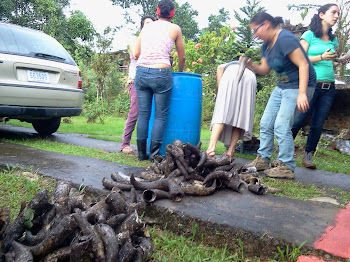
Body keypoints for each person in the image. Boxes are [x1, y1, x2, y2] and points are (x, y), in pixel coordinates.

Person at [243, 12, 316, 179]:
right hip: (282, 86)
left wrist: (302, 93)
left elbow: (303, 64)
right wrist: (251, 65)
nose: (255, 35)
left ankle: (286, 165)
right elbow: (265, 69)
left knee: (282, 125)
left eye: (256, 30)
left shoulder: (285, 39)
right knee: (266, 123)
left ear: (266, 24)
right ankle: (263, 159)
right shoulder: (266, 46)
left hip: (299, 85)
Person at [291, 4, 349, 169]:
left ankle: (308, 156)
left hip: (328, 87)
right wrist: (322, 56)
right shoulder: (309, 35)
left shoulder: (333, 38)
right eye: (333, 12)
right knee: (298, 120)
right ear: (321, 14)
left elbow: (331, 60)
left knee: (318, 124)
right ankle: (285, 153)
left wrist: (341, 60)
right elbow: (299, 59)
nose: (336, 16)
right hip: (311, 85)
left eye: (338, 13)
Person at [134, 0, 186, 161]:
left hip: (141, 72)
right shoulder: (175, 28)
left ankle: (141, 154)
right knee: (160, 116)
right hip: (161, 73)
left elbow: (136, 53)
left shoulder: (147, 27)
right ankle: (154, 155)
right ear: (172, 13)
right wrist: (179, 71)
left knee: (143, 114)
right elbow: (182, 56)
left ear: (157, 12)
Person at [206, 61, 257, 161]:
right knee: (240, 116)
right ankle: (230, 152)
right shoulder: (249, 68)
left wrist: (221, 92)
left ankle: (211, 149)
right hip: (250, 78)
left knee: (221, 113)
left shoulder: (230, 64)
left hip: (231, 74)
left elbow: (220, 68)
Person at [120, 15, 156, 154]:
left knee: (151, 114)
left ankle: (147, 144)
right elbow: (135, 55)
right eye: (146, 23)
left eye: (151, 24)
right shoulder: (135, 40)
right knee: (135, 112)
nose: (149, 26)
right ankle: (125, 144)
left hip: (151, 80)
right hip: (136, 80)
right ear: (141, 26)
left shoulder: (156, 43)